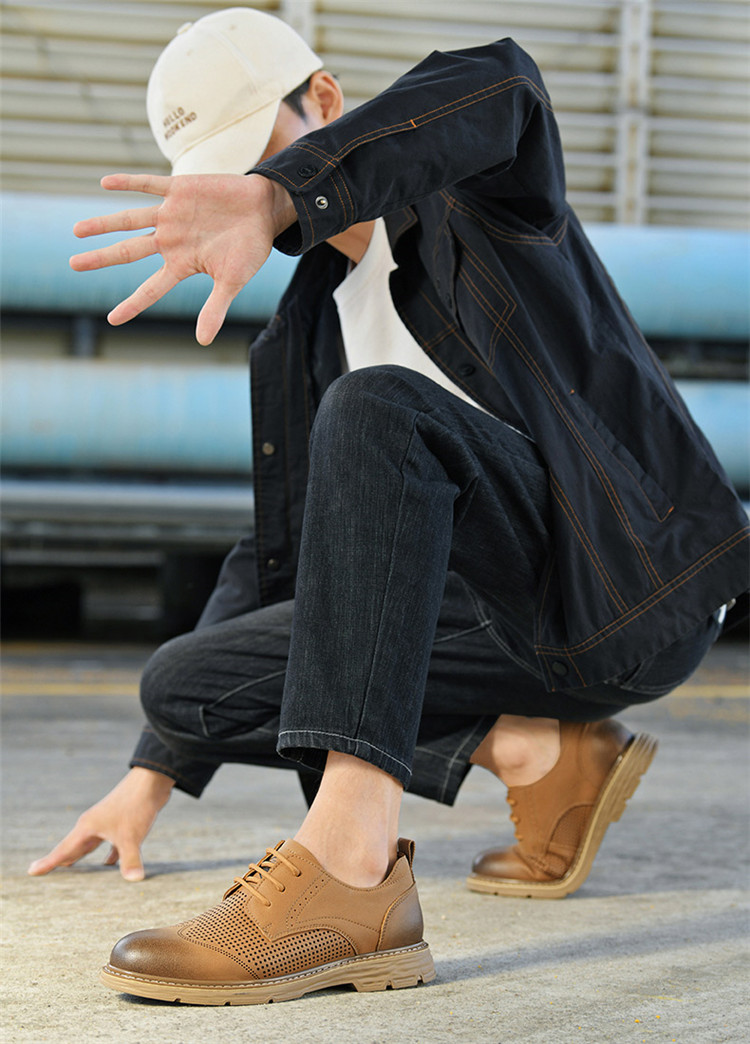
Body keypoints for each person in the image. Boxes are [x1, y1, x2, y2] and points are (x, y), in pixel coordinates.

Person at [28, 8, 748, 1005]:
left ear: (323, 100)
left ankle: (350, 871)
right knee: (183, 685)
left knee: (378, 409)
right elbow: (285, 559)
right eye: (226, 179)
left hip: (623, 587)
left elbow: (505, 82)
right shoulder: (305, 331)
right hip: (488, 623)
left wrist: (281, 192)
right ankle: (538, 751)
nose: (250, 195)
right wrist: (149, 776)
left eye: (257, 159)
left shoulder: (481, 191)